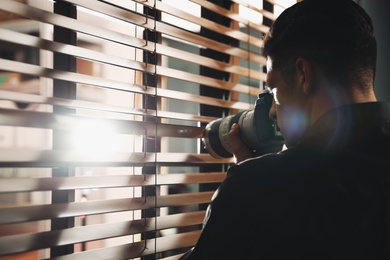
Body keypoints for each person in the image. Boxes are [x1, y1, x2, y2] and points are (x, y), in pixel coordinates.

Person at [180, 0, 390, 259]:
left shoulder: (254, 187)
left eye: (273, 88)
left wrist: (252, 184)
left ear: (304, 74)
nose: (272, 110)